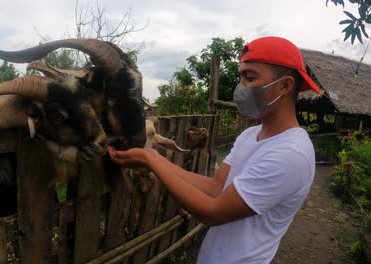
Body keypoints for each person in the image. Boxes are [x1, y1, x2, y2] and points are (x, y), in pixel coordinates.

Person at [108, 36, 320, 263]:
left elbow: (213, 211)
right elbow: (215, 187)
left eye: (250, 77)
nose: (241, 87)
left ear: (285, 86)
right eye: (241, 77)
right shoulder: (251, 135)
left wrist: (152, 160)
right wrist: (152, 156)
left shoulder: (291, 154)